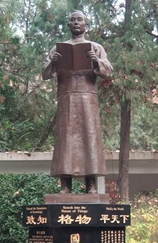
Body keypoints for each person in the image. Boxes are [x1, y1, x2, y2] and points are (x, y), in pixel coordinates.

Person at [42, 11, 113, 194]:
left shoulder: (95, 47)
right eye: (72, 20)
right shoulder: (58, 49)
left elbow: (109, 72)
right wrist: (53, 63)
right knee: (66, 140)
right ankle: (65, 185)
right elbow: (45, 74)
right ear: (68, 25)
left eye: (79, 19)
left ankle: (91, 184)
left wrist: (95, 61)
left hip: (88, 98)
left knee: (90, 138)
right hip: (66, 98)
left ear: (85, 25)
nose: (76, 22)